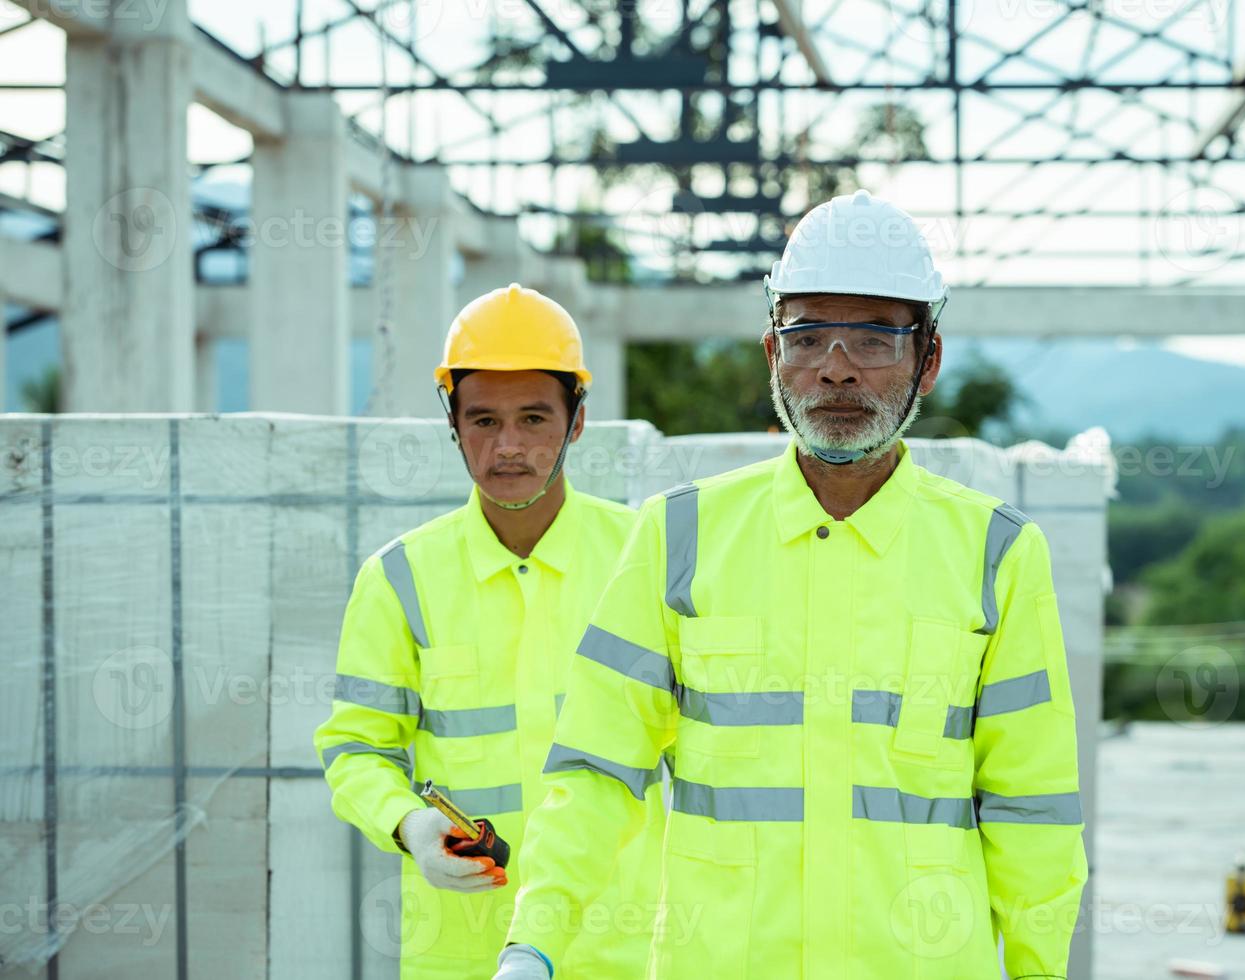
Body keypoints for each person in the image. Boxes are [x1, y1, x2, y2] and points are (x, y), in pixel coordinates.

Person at [493, 191, 1087, 979]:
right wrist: (534, 941)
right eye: (810, 336)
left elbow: (1032, 809)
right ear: (774, 355)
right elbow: (597, 771)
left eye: (874, 338)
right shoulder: (679, 536)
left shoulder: (997, 554)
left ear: (929, 360)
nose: (837, 367)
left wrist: (1039, 970)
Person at [314, 283, 665, 978]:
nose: (507, 447)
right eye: (483, 421)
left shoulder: (644, 561)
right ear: (453, 422)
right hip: (463, 951)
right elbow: (355, 748)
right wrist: (408, 823)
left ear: (578, 421)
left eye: (534, 418)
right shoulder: (399, 578)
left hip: (619, 948)